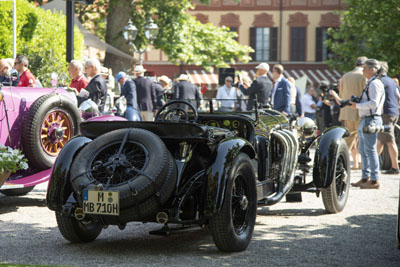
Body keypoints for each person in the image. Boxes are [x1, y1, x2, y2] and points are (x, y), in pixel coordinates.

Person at [350, 59, 385, 189]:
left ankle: (374, 180)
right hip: (366, 118)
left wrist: (357, 105)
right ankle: (366, 178)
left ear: (372, 70)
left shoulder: (375, 83)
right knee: (363, 150)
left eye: (365, 68)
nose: (363, 70)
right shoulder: (371, 82)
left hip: (371, 118)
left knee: (370, 150)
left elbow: (374, 103)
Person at [332, 57, 367, 170]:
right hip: (360, 110)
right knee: (362, 138)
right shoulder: (364, 76)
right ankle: (361, 163)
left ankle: (343, 161)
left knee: (350, 138)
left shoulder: (345, 76)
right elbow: (366, 94)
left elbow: (341, 95)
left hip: (347, 111)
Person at [376, 62, 399, 174]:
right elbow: (398, 96)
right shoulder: (392, 81)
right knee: (381, 139)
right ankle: (373, 165)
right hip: (393, 112)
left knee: (390, 141)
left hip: (386, 113)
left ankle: (395, 167)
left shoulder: (380, 81)